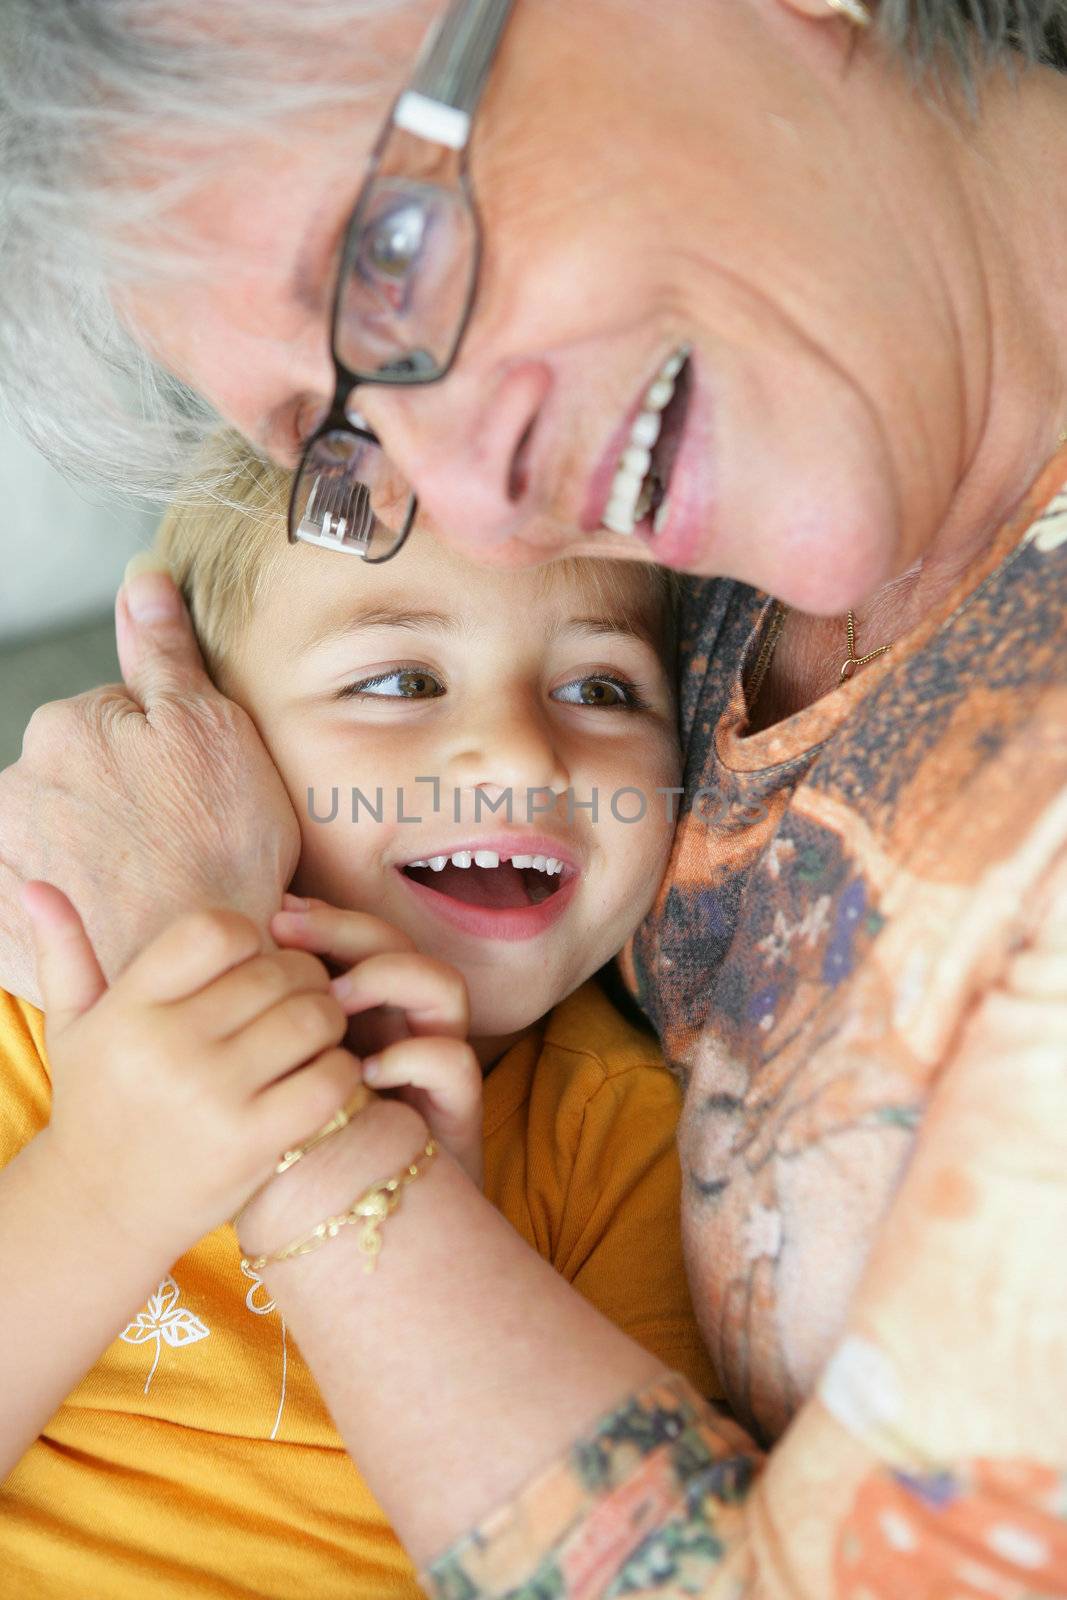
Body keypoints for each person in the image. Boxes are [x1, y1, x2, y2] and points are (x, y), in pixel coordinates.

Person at [2, 0, 1067, 1593]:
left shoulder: (593, 1147)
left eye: (387, 263)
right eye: (338, 430)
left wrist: (283, 1104)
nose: (477, 510)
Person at [0, 436, 717, 1597]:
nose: (521, 754)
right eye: (399, 681)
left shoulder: (619, 1140)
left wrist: (425, 1221)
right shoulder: (36, 1016)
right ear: (209, 743)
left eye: (598, 689)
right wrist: (103, 1179)